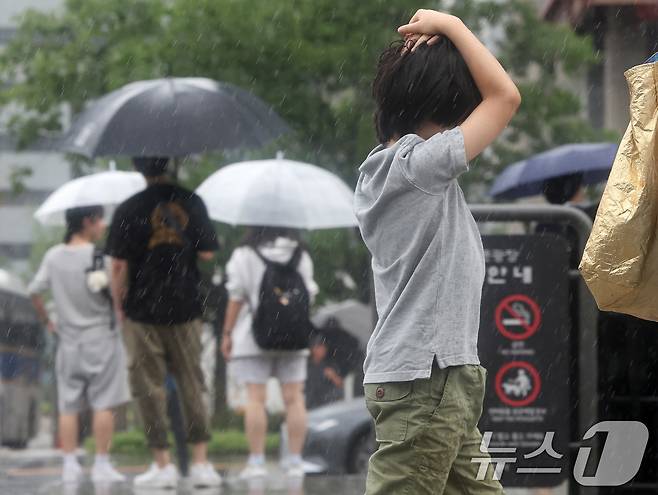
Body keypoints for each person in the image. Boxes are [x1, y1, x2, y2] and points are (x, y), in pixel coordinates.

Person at [354, 9, 521, 494]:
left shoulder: (383, 171)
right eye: (457, 114)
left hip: (432, 378)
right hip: (428, 379)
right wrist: (451, 25)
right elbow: (505, 97)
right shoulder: (418, 168)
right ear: (443, 109)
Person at [106, 157, 221, 489]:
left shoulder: (128, 209)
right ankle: (200, 464)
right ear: (170, 163)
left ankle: (162, 464)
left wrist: (119, 306)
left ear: (139, 167)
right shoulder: (192, 200)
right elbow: (208, 253)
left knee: (147, 388)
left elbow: (117, 267)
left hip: (142, 310)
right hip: (186, 306)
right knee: (192, 383)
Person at [28, 205, 130, 484]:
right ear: (88, 222)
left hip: (68, 340)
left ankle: (69, 463)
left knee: (68, 404)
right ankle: (101, 462)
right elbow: (117, 295)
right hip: (102, 339)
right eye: (100, 221)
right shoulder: (104, 257)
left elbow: (34, 291)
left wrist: (48, 319)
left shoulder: (53, 256)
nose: (104, 226)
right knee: (103, 403)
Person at [221, 226, 318, 479]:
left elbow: (236, 296)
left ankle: (256, 462)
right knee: (294, 398)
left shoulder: (244, 254)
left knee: (256, 399)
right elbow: (310, 293)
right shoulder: (300, 253)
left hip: (252, 336)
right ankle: (295, 461)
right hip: (294, 337)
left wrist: (227, 333)